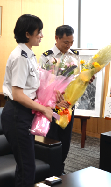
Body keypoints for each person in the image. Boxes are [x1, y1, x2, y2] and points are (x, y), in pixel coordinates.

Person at [1, 14, 53, 187]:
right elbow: (17, 94)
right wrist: (44, 109)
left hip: (24, 113)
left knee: (26, 165)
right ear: (27, 33)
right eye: (39, 32)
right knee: (27, 166)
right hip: (17, 114)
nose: (41, 35)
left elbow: (32, 88)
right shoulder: (20, 57)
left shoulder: (29, 55)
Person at [39, 25, 79, 175]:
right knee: (52, 138)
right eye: (65, 42)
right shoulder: (47, 56)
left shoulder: (74, 55)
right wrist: (55, 99)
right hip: (52, 105)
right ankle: (50, 169)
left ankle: (60, 167)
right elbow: (42, 83)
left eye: (71, 42)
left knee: (66, 138)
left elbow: (77, 77)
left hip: (69, 104)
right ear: (56, 38)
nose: (69, 46)